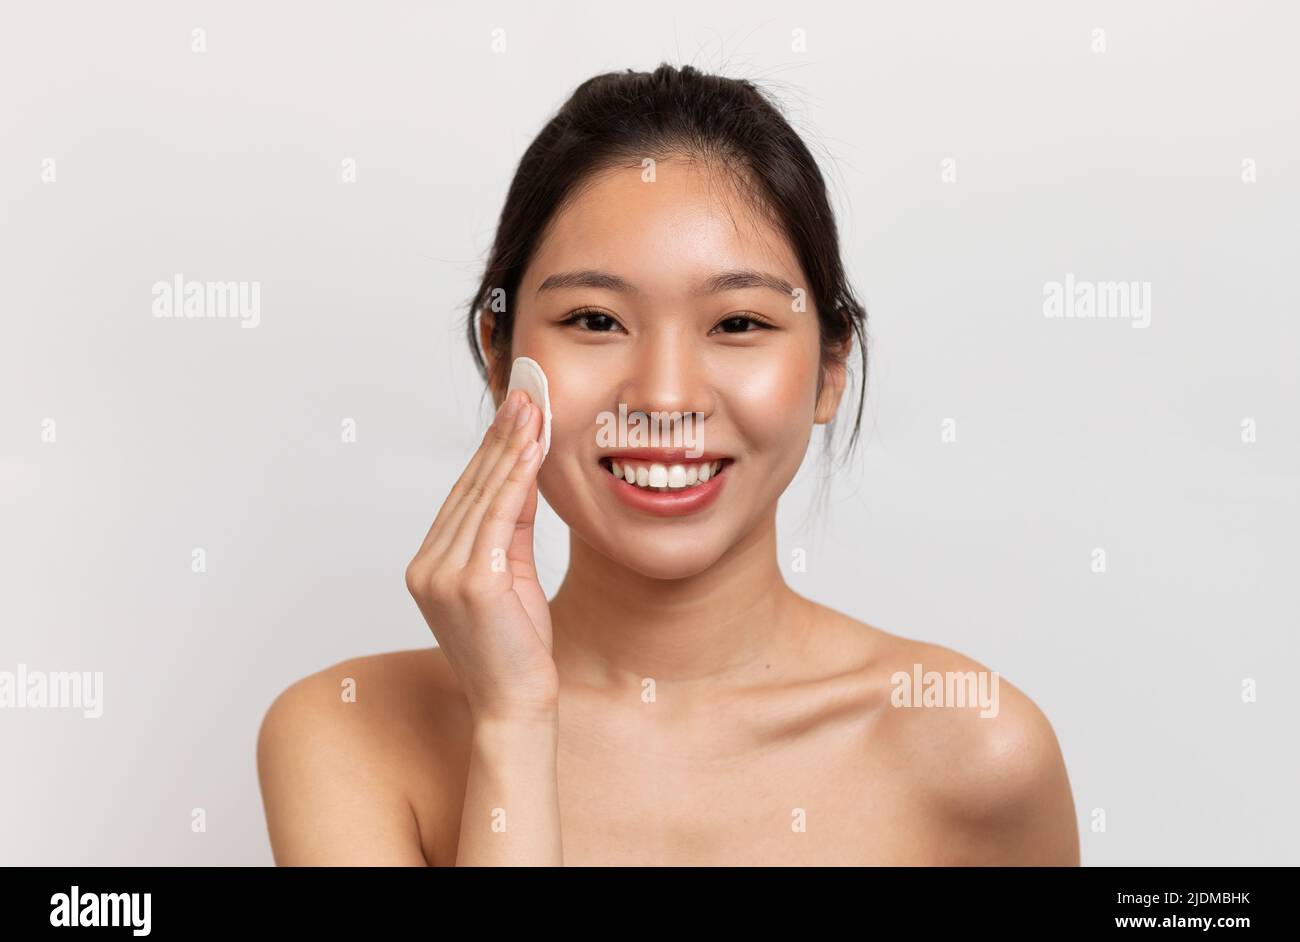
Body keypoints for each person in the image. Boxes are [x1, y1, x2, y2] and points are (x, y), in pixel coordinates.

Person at [257, 63, 1080, 866]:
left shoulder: (975, 748)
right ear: (499, 353)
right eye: (594, 319)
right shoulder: (349, 733)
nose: (663, 396)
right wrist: (513, 722)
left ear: (833, 368)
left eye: (738, 324)